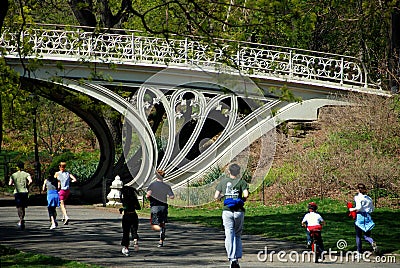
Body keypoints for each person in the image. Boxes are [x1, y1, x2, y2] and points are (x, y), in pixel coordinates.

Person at [214, 163, 249, 268]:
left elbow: (216, 196)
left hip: (227, 211)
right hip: (238, 211)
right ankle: (237, 258)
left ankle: (232, 258)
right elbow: (246, 194)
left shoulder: (223, 182)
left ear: (229, 171)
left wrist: (222, 196)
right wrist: (242, 200)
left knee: (229, 235)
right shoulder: (242, 182)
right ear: (238, 172)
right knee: (237, 235)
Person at [146, 169, 174, 247]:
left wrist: (150, 199)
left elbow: (148, 195)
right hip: (163, 206)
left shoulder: (152, 185)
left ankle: (160, 229)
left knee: (154, 223)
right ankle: (161, 239)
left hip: (155, 206)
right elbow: (172, 196)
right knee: (163, 222)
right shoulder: (167, 186)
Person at [348, 183, 378, 255]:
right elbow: (372, 209)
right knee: (367, 236)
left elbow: (359, 207)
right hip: (368, 217)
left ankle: (359, 251)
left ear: (358, 190)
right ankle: (371, 241)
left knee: (358, 235)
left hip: (360, 217)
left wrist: (352, 209)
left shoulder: (358, 197)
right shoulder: (369, 199)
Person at [8, 161, 32, 230]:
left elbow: (10, 183)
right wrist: (27, 185)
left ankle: (21, 219)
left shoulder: (13, 175)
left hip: (17, 192)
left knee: (19, 206)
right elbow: (30, 181)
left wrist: (14, 184)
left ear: (17, 167)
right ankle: (22, 218)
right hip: (24, 191)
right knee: (23, 206)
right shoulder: (26, 174)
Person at [119, 185, 141, 256]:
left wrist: (122, 209)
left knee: (126, 232)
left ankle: (126, 248)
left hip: (127, 216)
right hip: (134, 215)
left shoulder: (125, 199)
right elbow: (138, 208)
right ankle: (135, 240)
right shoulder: (134, 198)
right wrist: (133, 206)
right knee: (134, 230)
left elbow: (126, 207)